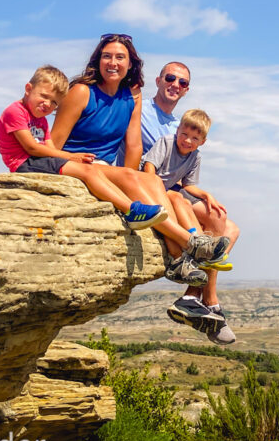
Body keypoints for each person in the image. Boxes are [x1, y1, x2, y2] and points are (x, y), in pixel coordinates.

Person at [49, 35, 229, 290]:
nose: (112, 63)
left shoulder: (131, 95)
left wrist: (132, 179)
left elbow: (134, 145)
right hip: (76, 163)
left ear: (130, 63)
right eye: (107, 56)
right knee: (138, 179)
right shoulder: (81, 92)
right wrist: (77, 161)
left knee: (150, 180)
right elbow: (54, 144)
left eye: (120, 57)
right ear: (98, 60)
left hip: (106, 167)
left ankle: (179, 260)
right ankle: (190, 243)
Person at [139, 62, 240, 344]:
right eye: (170, 78)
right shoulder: (143, 113)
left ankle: (193, 296)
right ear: (158, 80)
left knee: (226, 226)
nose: (175, 85)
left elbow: (188, 182)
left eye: (182, 82)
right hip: (155, 188)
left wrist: (206, 194)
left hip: (176, 189)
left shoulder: (183, 127)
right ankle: (209, 302)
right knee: (192, 214)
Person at [0, 64, 167, 229]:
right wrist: (70, 157)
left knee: (91, 170)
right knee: (88, 171)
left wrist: (67, 159)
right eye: (44, 96)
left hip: (38, 160)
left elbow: (49, 145)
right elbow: (32, 147)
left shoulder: (39, 117)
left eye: (54, 103)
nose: (48, 104)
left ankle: (131, 207)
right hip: (25, 163)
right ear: (28, 89)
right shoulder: (16, 112)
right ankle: (131, 209)